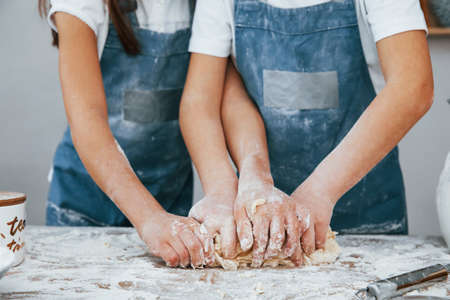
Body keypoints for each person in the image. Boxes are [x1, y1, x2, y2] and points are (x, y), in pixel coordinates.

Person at [180, 0, 434, 267]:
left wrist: (318, 193)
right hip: (258, 228)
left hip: (368, 220)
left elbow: (413, 87)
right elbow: (203, 99)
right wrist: (224, 189)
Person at [38, 0, 247, 268]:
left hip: (170, 201)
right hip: (87, 205)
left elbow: (210, 100)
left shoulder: (206, 5)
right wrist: (149, 217)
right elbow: (86, 118)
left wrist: (222, 190)